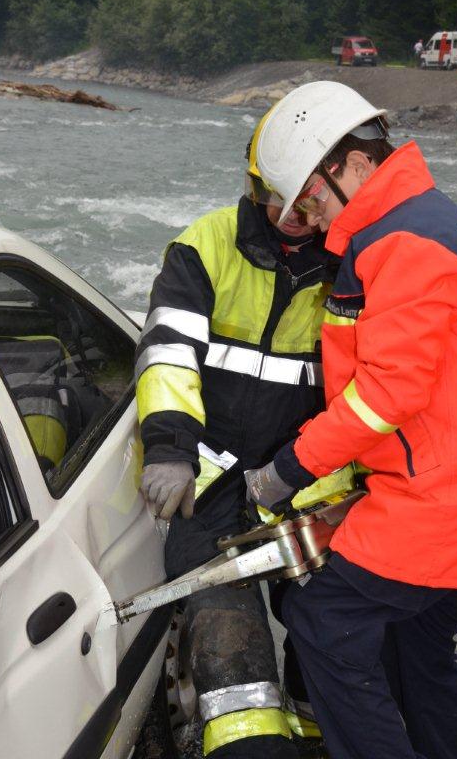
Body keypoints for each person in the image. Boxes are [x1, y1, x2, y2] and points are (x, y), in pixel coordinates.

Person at [246, 80, 457, 759]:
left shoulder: (404, 241)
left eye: (312, 200)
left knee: (323, 621)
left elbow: (387, 393)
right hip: (456, 487)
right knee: (418, 651)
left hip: (437, 499)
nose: (312, 219)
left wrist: (287, 470)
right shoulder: (422, 222)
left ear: (352, 164)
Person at [135, 112, 342, 758]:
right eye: (272, 194)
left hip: (310, 477)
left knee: (331, 629)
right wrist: (169, 448)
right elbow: (169, 353)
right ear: (253, 183)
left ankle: (320, 736)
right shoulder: (205, 244)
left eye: (303, 200)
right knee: (228, 640)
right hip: (213, 477)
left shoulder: (353, 260)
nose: (288, 215)